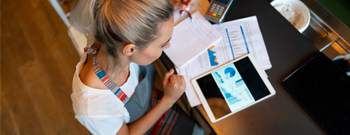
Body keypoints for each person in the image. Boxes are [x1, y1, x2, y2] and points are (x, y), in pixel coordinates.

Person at [70, 0, 202, 134]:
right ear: (130, 50)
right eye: (162, 44)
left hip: (150, 100)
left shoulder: (111, 34)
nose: (168, 46)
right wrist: (168, 100)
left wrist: (165, 9)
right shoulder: (94, 108)